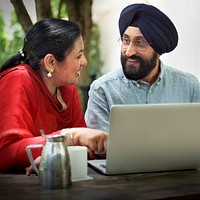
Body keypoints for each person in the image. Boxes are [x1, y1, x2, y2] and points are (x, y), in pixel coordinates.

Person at [0, 18, 108, 174]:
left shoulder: (67, 88)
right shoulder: (17, 80)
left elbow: (84, 147)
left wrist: (52, 155)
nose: (84, 62)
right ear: (50, 62)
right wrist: (70, 136)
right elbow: (6, 153)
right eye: (78, 56)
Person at [85, 3, 200, 132]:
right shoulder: (103, 90)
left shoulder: (189, 86)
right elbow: (99, 148)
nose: (129, 52)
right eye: (126, 40)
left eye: (139, 43)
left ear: (158, 49)